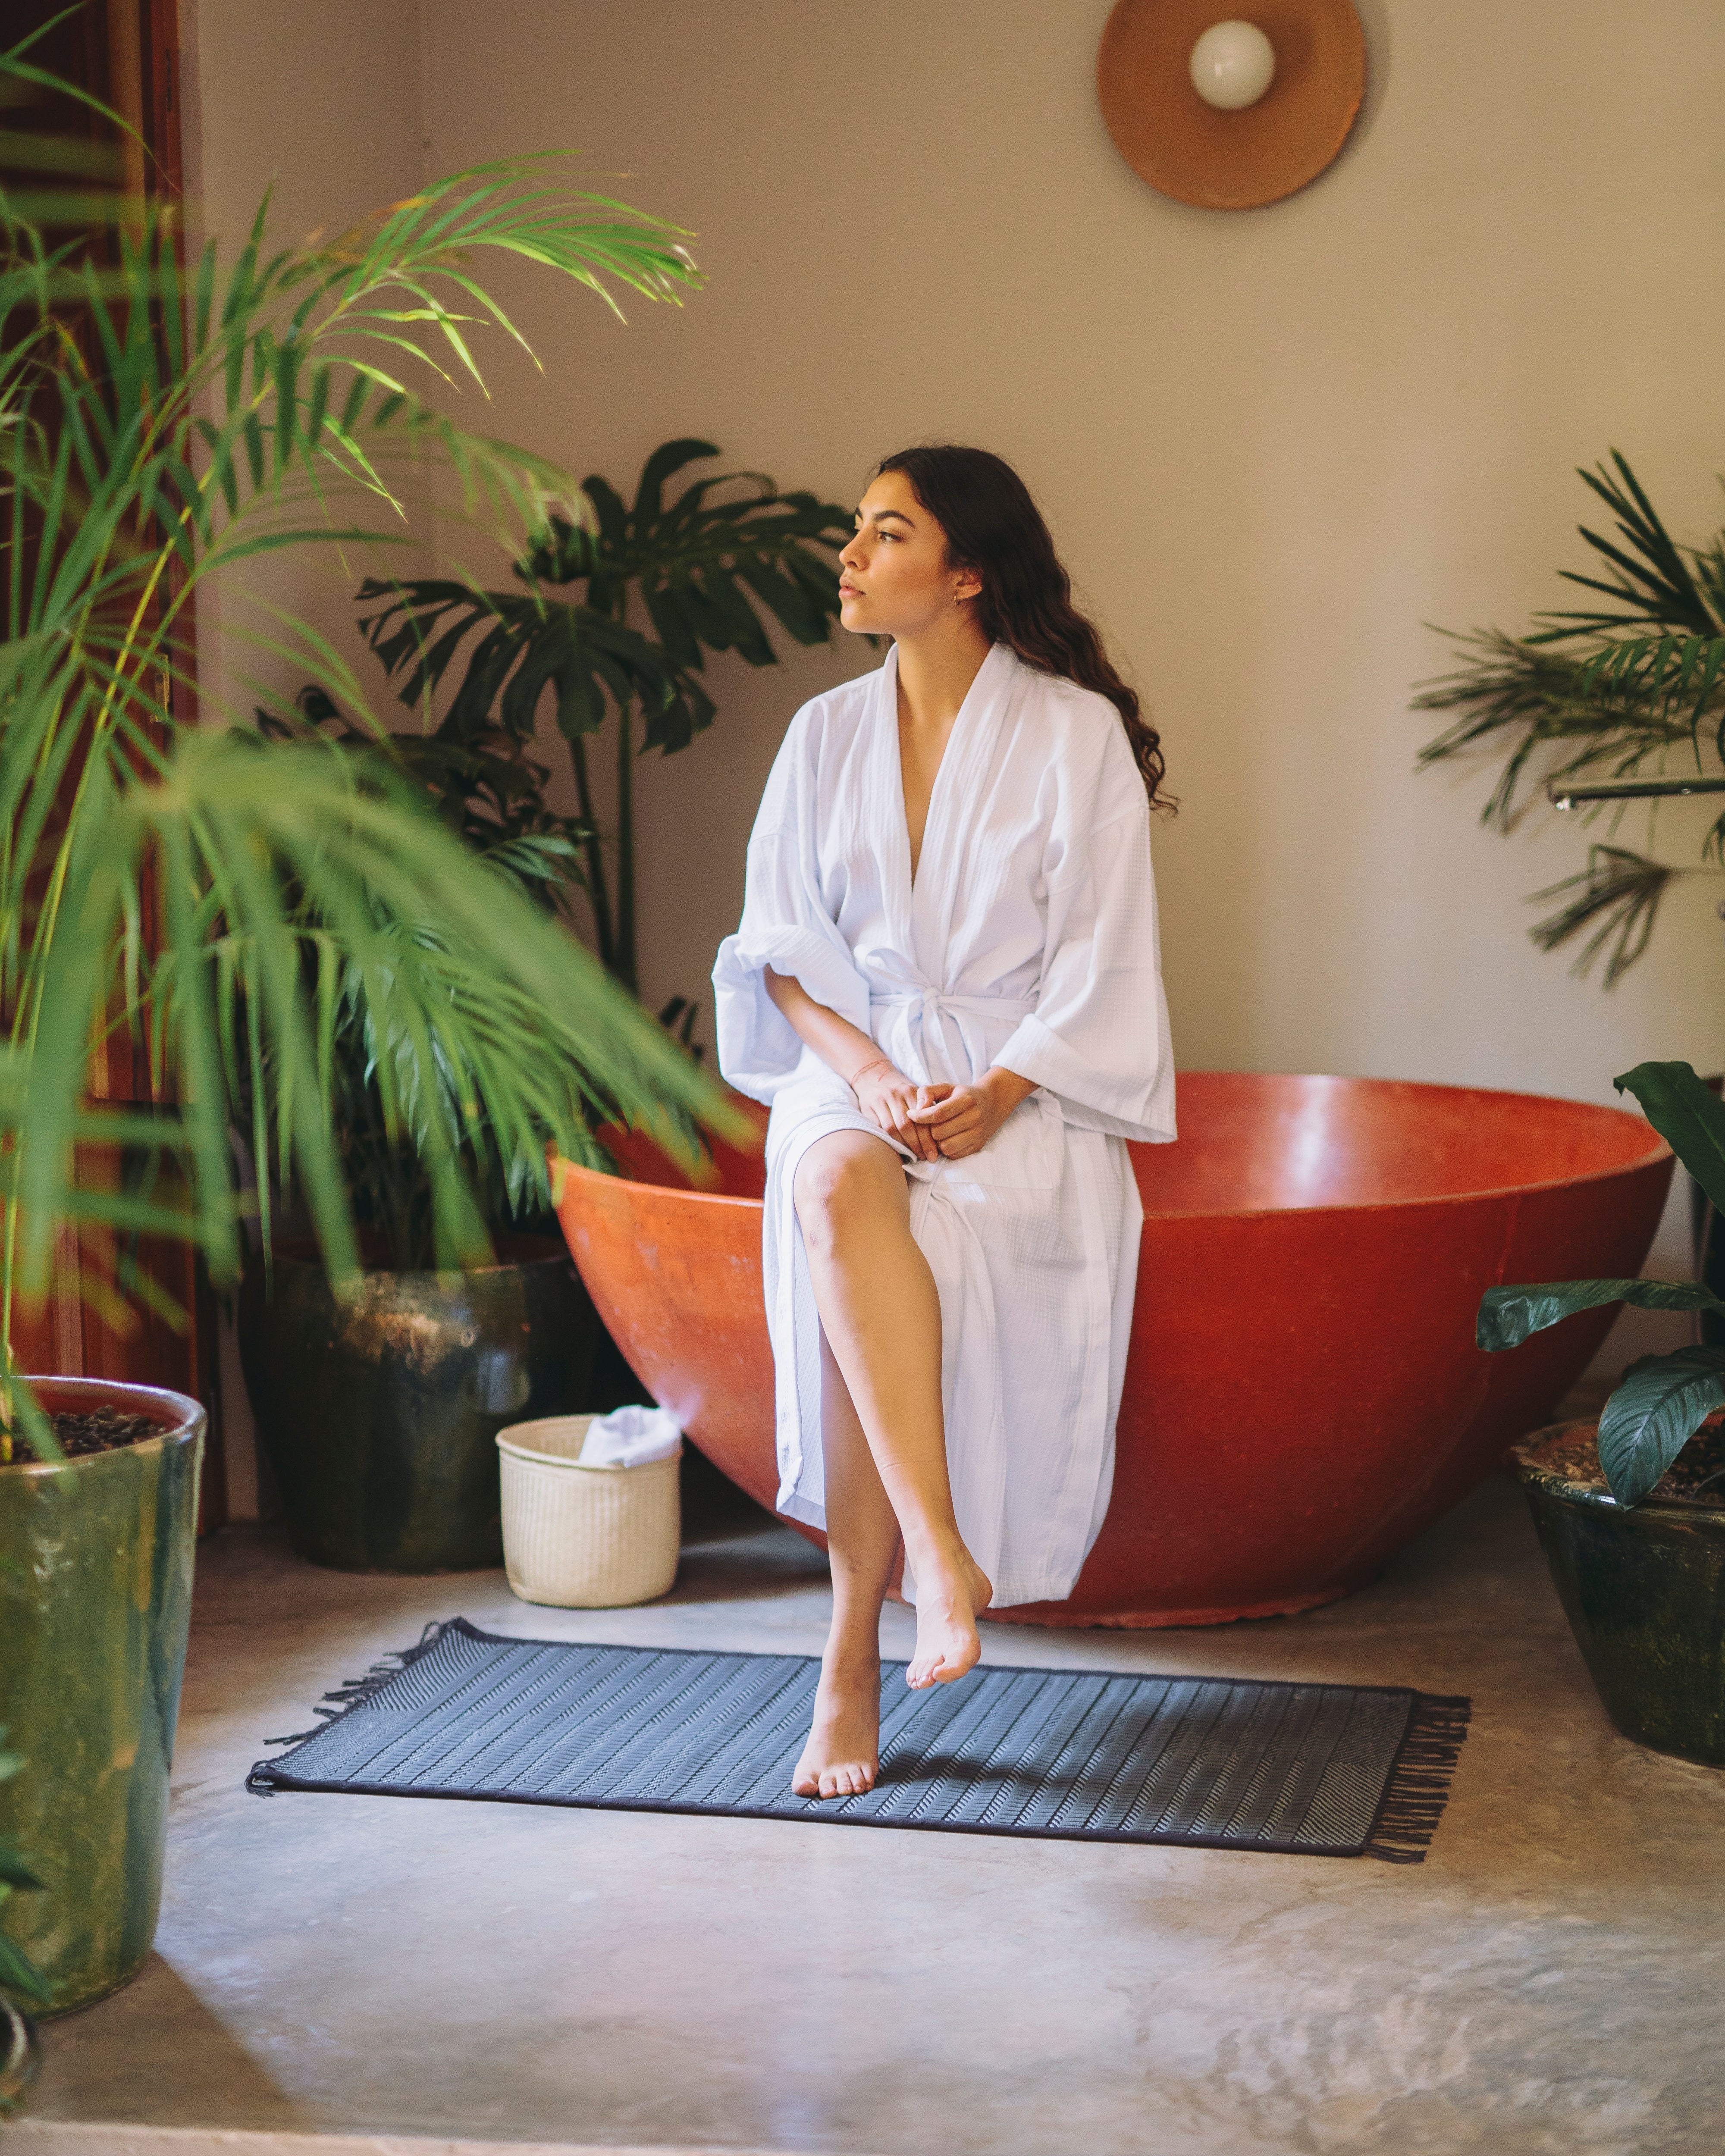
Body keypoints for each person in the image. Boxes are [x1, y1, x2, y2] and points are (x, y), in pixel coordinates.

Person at [712, 444, 1175, 1800]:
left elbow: (1104, 957)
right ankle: (925, 1567)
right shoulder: (822, 737)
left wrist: (1004, 1090)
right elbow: (782, 955)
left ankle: (856, 1646)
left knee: (884, 1266)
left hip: (1018, 1076)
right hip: (861, 1067)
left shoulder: (1072, 734)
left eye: (887, 533)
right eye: (856, 530)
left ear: (965, 571)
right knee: (833, 1190)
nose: (851, 554)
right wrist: (868, 1080)